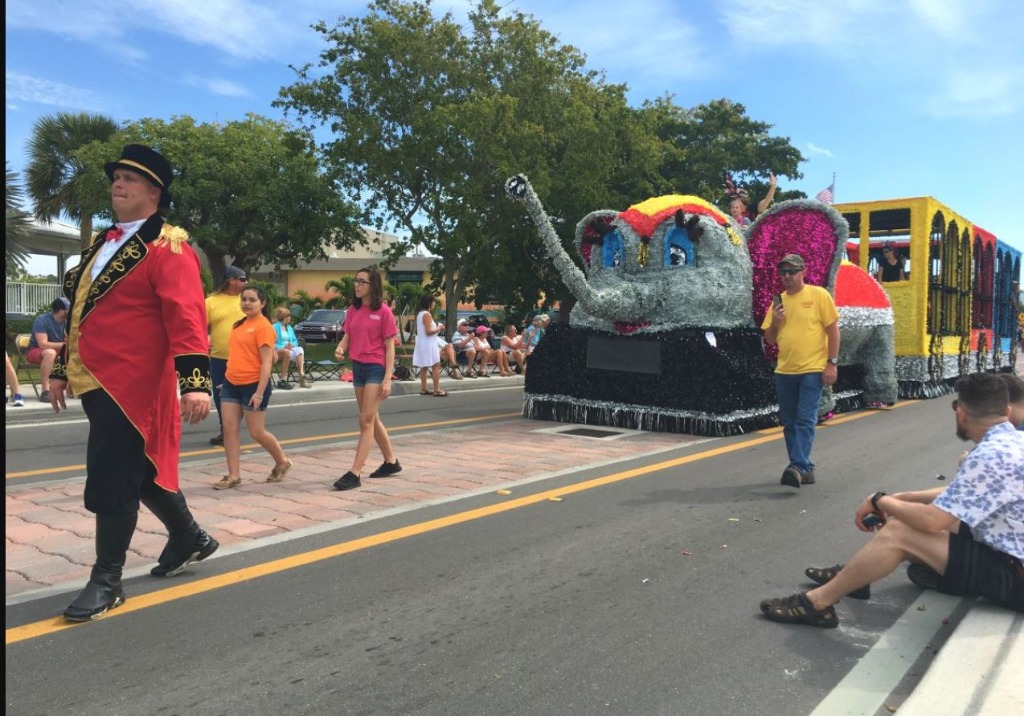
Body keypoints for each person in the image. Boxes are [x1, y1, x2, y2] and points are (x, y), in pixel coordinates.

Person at [48, 144, 218, 622]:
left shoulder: (169, 245)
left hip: (135, 387)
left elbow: (186, 315)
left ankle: (107, 579)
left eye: (129, 178)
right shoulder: (103, 244)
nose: (117, 184)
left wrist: (196, 382)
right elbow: (81, 313)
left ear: (154, 192)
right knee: (139, 470)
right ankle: (190, 537)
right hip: (97, 381)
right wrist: (62, 369)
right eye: (115, 177)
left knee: (113, 477)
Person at [760, 373, 1024, 628]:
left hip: (1016, 576)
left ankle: (816, 604)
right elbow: (962, 496)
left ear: (961, 413)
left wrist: (880, 500)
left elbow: (933, 521)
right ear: (1007, 411)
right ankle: (856, 577)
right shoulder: (1013, 442)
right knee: (910, 514)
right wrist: (902, 499)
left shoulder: (988, 456)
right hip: (1010, 553)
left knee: (901, 531)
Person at [760, 254, 840, 488]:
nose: (787, 277)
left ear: (803, 272)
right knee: (790, 421)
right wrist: (775, 322)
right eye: (783, 272)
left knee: (805, 418)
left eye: (792, 272)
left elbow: (833, 331)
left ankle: (796, 465)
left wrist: (831, 363)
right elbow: (770, 339)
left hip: (812, 369)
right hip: (785, 370)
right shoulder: (778, 303)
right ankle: (805, 467)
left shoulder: (818, 295)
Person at [214, 286, 292, 490]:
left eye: (252, 300)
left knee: (256, 432)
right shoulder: (239, 324)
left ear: (262, 303)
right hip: (231, 383)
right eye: (244, 299)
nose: (247, 303)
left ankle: (282, 462)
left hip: (253, 385)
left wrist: (259, 392)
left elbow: (267, 363)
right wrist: (228, 378)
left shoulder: (263, 327)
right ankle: (233, 475)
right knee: (229, 429)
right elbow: (238, 354)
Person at [332, 266, 401, 490]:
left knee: (365, 420)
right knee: (372, 418)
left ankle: (355, 472)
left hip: (375, 367)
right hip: (358, 367)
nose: (357, 285)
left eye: (362, 281)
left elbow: (390, 347)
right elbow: (348, 336)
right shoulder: (353, 309)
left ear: (374, 285)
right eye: (356, 281)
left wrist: (388, 378)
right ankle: (391, 462)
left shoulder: (383, 312)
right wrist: (341, 348)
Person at [206, 265, 247, 445]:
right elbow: (200, 327)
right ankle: (226, 430)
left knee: (242, 395)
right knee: (221, 395)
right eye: (243, 279)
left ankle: (233, 428)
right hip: (219, 359)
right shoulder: (211, 302)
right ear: (231, 280)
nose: (246, 282)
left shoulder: (247, 300)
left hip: (245, 358)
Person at [28, 297, 69, 402]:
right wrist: (65, 345)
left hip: (58, 351)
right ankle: (45, 391)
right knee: (50, 353)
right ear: (61, 311)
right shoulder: (42, 320)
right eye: (68, 309)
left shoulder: (68, 322)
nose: (71, 311)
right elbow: (43, 344)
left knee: (77, 351)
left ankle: (74, 388)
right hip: (36, 350)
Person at [412, 294, 447, 396]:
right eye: (433, 302)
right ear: (429, 303)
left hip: (422, 343)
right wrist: (440, 328)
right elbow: (429, 331)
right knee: (436, 365)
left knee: (424, 366)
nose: (434, 304)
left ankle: (424, 388)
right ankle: (437, 389)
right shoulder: (427, 314)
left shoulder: (420, 314)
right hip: (428, 343)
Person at [272, 306, 310, 389]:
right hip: (277, 351)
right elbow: (271, 343)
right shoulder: (274, 327)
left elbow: (294, 340)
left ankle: (301, 375)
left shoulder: (289, 328)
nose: (290, 318)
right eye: (288, 316)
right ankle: (283, 380)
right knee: (287, 352)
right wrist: (283, 346)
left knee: (300, 350)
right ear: (283, 317)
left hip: (289, 350)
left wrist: (292, 344)